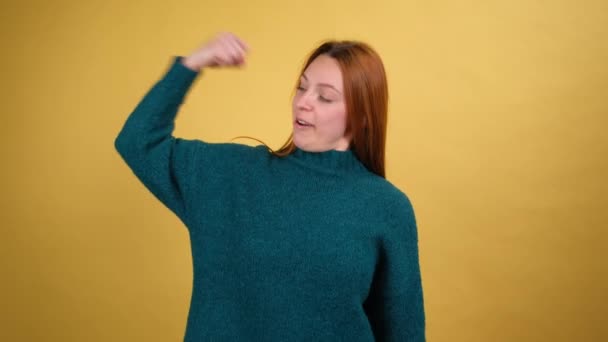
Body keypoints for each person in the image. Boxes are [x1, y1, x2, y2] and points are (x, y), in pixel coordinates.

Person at [115, 32, 426, 341]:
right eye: (301, 88)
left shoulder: (387, 207)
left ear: (362, 118)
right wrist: (191, 65)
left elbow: (404, 333)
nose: (303, 102)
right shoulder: (228, 175)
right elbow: (138, 141)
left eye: (325, 96)